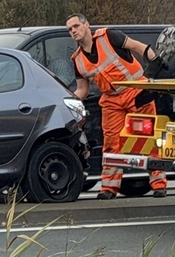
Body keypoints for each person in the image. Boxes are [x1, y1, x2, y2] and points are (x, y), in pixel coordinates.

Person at [67, 14, 168, 200]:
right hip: (112, 101)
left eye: (76, 26)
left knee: (148, 140)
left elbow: (138, 47)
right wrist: (66, 101)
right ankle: (109, 188)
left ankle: (159, 185)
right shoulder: (77, 60)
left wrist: (155, 62)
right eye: (70, 29)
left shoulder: (109, 36)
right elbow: (82, 89)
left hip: (136, 91)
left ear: (86, 25)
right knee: (112, 145)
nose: (73, 31)